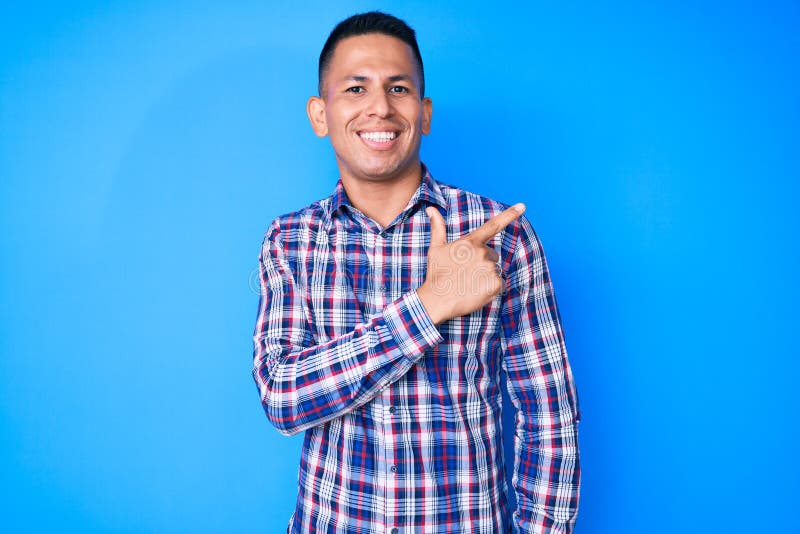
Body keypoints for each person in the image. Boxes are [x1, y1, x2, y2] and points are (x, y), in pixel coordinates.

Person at [252, 11, 580, 534]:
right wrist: (428, 306)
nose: (379, 107)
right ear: (321, 114)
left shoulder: (500, 233)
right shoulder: (291, 241)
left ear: (423, 112)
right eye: (356, 89)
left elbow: (549, 419)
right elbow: (284, 398)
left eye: (398, 88)